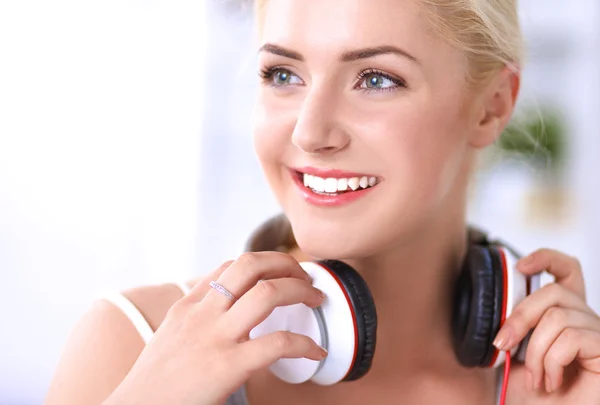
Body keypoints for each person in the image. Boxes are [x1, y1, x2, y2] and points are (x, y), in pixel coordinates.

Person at [45, 1, 600, 404]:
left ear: (492, 107)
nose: (310, 132)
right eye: (282, 74)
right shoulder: (130, 346)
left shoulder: (563, 382)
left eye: (376, 79)